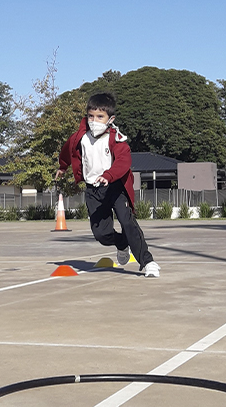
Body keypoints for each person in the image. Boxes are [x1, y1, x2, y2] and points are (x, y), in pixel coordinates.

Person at [56, 92, 160, 277]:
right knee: (101, 234)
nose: (94, 121)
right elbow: (67, 150)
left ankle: (148, 262)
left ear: (110, 119)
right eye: (91, 116)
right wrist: (63, 167)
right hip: (93, 190)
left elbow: (123, 162)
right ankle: (121, 243)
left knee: (127, 223)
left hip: (115, 188)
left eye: (100, 117)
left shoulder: (116, 138)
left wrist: (108, 176)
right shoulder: (80, 137)